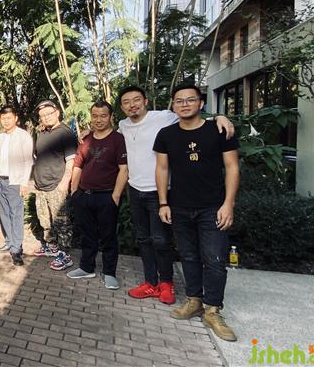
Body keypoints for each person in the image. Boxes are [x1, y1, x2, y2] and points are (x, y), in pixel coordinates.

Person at [118, 85, 235, 305]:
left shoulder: (164, 117)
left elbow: (192, 115)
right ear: (122, 107)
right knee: (143, 239)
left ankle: (167, 284)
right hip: (135, 189)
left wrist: (220, 117)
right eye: (126, 102)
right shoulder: (123, 125)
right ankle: (151, 282)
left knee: (161, 240)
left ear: (145, 101)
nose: (132, 105)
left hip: (160, 191)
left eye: (136, 100)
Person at [154, 83, 240, 342]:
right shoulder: (166, 134)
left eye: (190, 100)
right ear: (173, 105)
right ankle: (194, 300)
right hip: (179, 206)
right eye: (179, 101)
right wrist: (163, 203)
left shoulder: (219, 130)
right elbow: (162, 169)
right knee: (188, 256)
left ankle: (213, 310)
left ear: (201, 103)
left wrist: (228, 204)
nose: (184, 104)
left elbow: (232, 167)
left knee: (214, 259)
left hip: (213, 206)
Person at [65, 101, 128, 290]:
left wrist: (115, 196)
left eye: (103, 115)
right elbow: (78, 165)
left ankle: (109, 272)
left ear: (110, 117)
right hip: (84, 195)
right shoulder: (86, 139)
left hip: (107, 196)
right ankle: (86, 267)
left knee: (108, 236)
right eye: (95, 116)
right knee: (87, 234)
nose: (98, 120)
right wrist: (74, 191)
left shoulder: (118, 139)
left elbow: (123, 169)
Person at [31, 100, 77, 267]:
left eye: (49, 114)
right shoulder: (42, 133)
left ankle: (65, 255)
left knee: (61, 222)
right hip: (41, 186)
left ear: (57, 112)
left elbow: (71, 161)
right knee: (45, 220)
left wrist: (65, 183)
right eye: (42, 116)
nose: (46, 117)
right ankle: (52, 246)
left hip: (57, 184)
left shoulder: (65, 133)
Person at [0, 105, 33, 267]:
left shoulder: (24, 136)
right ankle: (9, 242)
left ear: (15, 118)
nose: (6, 121)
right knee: (4, 214)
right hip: (0, 180)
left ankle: (16, 249)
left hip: (15, 181)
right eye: (3, 118)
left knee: (16, 214)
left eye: (9, 118)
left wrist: (24, 182)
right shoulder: (0, 137)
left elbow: (28, 161)